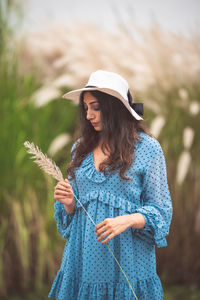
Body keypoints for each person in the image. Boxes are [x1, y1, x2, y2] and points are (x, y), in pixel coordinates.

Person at [48, 70, 172, 300]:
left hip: (127, 261)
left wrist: (127, 219)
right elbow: (70, 219)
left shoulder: (148, 149)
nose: (89, 115)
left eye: (95, 107)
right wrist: (68, 203)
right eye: (85, 108)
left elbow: (161, 212)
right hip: (82, 261)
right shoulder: (80, 148)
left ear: (114, 106)